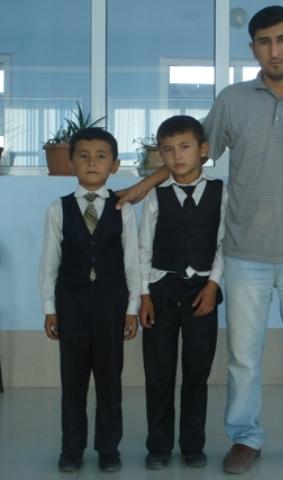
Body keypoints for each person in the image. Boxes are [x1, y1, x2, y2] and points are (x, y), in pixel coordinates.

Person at [117, 5, 283, 474]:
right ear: (253, 48)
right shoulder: (233, 100)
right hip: (244, 255)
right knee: (243, 358)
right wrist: (145, 186)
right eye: (264, 42)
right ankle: (245, 438)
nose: (274, 50)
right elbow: (192, 154)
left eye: (282, 40)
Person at [39, 127, 141, 473]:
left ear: (114, 165)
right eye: (83, 156)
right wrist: (49, 309)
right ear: (71, 163)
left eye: (101, 156)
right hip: (71, 305)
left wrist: (132, 309)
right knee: (73, 380)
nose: (92, 162)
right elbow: (49, 263)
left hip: (112, 304)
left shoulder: (123, 209)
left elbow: (132, 262)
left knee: (110, 380)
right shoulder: (59, 209)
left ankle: (108, 448)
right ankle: (71, 449)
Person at [138, 115, 226, 470]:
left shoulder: (221, 192)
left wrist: (213, 284)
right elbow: (143, 248)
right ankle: (158, 446)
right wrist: (144, 294)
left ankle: (192, 444)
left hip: (202, 290)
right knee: (158, 373)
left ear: (203, 150)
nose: (177, 156)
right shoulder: (155, 197)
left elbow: (225, 243)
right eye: (168, 149)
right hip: (161, 290)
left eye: (185, 147)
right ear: (161, 155)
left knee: (196, 372)